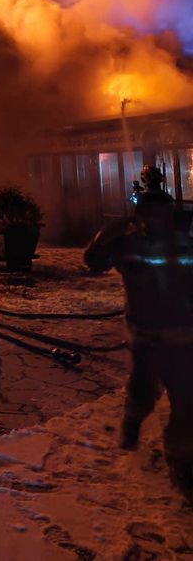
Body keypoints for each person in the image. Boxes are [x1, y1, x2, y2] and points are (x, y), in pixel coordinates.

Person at [84, 194, 193, 502]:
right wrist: (109, 233)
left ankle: (183, 463)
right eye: (148, 214)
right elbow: (93, 261)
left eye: (160, 213)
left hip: (183, 338)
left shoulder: (185, 245)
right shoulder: (128, 245)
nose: (154, 220)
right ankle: (133, 420)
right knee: (142, 392)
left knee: (186, 404)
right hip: (146, 339)